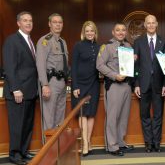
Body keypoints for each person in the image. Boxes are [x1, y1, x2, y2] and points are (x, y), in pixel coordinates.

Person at [3, 11, 37, 165]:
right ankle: (15, 155)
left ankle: (23, 151)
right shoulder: (12, 40)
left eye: (30, 20)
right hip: (18, 92)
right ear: (18, 23)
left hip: (30, 91)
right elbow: (10, 67)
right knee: (17, 125)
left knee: (27, 124)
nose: (28, 23)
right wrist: (16, 89)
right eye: (25, 20)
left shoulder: (30, 41)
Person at [97, 22, 134, 156]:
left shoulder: (128, 46)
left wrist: (133, 60)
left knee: (123, 116)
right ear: (113, 32)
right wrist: (114, 75)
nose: (120, 32)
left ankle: (120, 142)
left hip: (126, 85)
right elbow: (100, 65)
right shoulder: (107, 46)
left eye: (123, 30)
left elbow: (129, 67)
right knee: (112, 117)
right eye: (118, 30)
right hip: (113, 86)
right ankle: (112, 146)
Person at [133, 15, 165, 153]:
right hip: (143, 84)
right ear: (145, 25)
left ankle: (157, 143)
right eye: (149, 23)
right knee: (145, 115)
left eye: (153, 22)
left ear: (157, 24)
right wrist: (136, 84)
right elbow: (135, 66)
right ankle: (148, 142)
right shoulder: (138, 42)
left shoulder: (164, 42)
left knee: (158, 115)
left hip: (159, 85)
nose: (151, 25)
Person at [71, 21, 100, 156]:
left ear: (95, 33)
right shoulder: (78, 46)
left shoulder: (99, 47)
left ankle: (88, 140)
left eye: (92, 31)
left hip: (94, 84)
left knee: (91, 113)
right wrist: (75, 86)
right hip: (81, 84)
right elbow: (74, 67)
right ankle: (85, 143)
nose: (90, 33)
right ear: (83, 32)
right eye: (87, 31)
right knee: (82, 113)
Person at [36, 13, 68, 130]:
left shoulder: (62, 42)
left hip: (62, 82)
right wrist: (44, 85)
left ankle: (57, 147)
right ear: (49, 24)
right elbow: (40, 64)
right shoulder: (45, 41)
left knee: (60, 118)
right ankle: (49, 148)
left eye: (60, 22)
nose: (58, 25)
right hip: (50, 82)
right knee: (49, 118)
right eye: (55, 22)